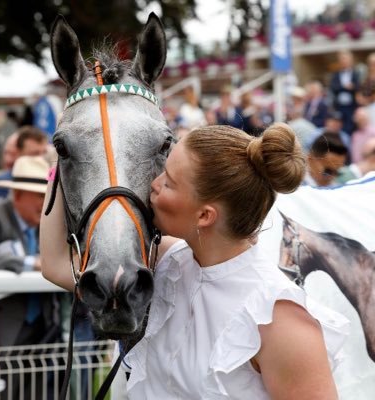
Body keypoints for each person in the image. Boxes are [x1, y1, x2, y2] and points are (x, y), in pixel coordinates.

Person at [40, 123, 348, 399]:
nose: (154, 184)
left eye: (169, 182)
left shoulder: (279, 319)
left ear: (204, 216)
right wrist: (65, 157)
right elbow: (55, 264)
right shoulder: (168, 263)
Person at [0, 155, 61, 400]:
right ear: (18, 195)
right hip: (5, 328)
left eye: (48, 196)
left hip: (45, 327)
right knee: (2, 392)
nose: (46, 205)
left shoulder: (51, 220)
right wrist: (33, 263)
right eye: (39, 196)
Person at [0, 125, 48, 200]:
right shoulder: (2, 183)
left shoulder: (51, 176)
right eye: (35, 154)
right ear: (19, 153)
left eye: (45, 153)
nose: (41, 158)